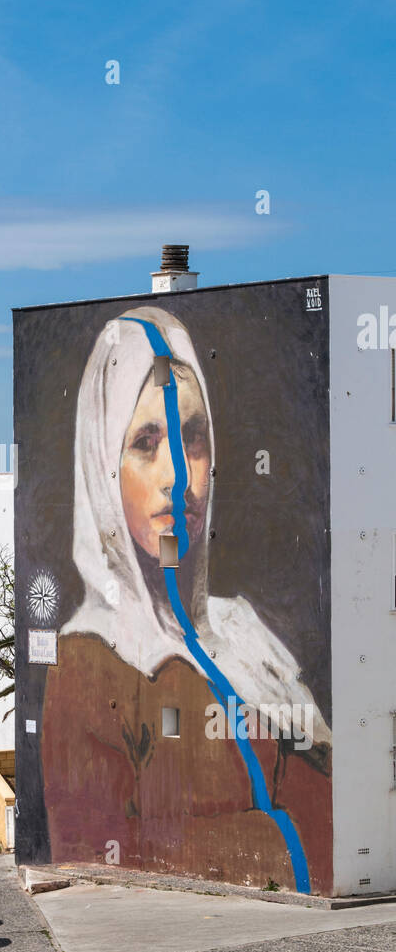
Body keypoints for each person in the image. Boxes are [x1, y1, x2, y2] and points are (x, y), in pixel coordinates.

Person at [39, 305, 332, 893]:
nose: (178, 472)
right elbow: (100, 855)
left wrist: (220, 835)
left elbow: (333, 813)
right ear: (102, 467)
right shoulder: (86, 664)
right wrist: (279, 837)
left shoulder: (242, 633)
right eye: (146, 442)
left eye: (190, 438)